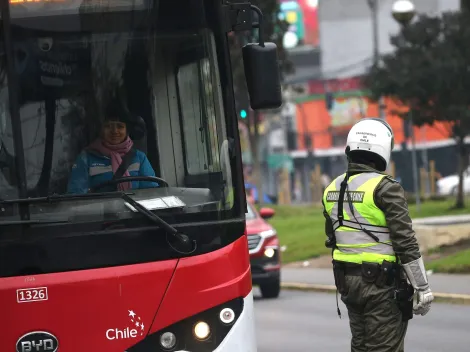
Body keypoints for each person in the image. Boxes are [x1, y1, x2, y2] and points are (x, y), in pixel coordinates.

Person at [321, 118, 434, 352]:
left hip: (347, 282)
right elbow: (405, 241)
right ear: (383, 149)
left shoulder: (331, 188)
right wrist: (422, 286)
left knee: (360, 346)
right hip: (381, 285)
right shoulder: (385, 187)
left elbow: (331, 236)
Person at [67, 104, 158, 194]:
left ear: (127, 131)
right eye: (108, 126)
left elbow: (151, 193)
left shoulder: (139, 158)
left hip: (133, 208)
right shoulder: (86, 158)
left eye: (120, 126)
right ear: (101, 130)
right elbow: (76, 195)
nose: (114, 131)